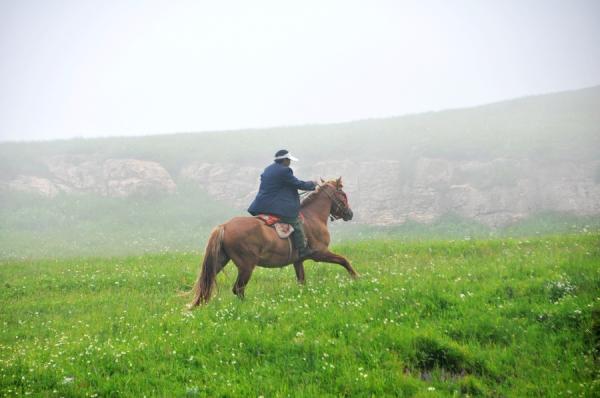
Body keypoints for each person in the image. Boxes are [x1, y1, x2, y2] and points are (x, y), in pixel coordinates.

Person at [248, 149, 317, 258]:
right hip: (274, 207)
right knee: (296, 221)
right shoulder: (284, 171)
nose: (290, 162)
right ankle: (303, 250)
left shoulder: (268, 169)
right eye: (289, 160)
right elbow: (297, 184)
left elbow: (278, 187)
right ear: (284, 160)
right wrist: (312, 184)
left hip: (260, 206)